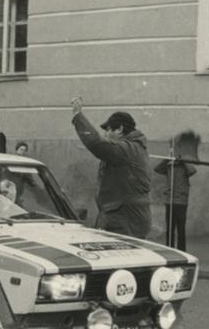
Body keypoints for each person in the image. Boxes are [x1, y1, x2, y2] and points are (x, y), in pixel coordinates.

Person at [70, 96, 151, 239]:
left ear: (119, 129)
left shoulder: (127, 148)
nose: (106, 134)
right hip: (124, 219)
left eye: (108, 130)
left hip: (125, 223)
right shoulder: (131, 148)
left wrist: (78, 115)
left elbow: (96, 143)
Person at [154, 131, 199, 251]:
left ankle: (181, 251)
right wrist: (167, 159)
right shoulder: (169, 165)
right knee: (169, 229)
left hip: (181, 201)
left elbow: (192, 171)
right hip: (170, 200)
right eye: (172, 148)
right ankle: (169, 250)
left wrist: (182, 160)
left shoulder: (185, 164)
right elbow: (158, 169)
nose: (174, 151)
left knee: (181, 229)